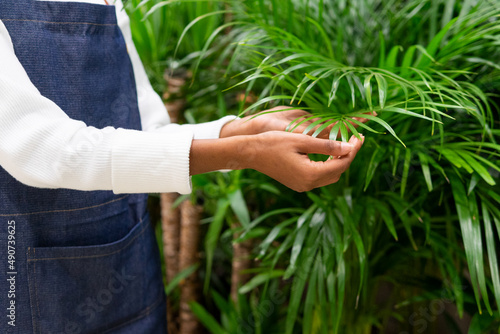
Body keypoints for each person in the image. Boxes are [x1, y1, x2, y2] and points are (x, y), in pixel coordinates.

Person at [0, 0, 364, 333]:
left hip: (127, 261)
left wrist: (244, 128)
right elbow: (43, 148)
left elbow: (149, 132)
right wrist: (247, 151)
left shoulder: (109, 3)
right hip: (33, 279)